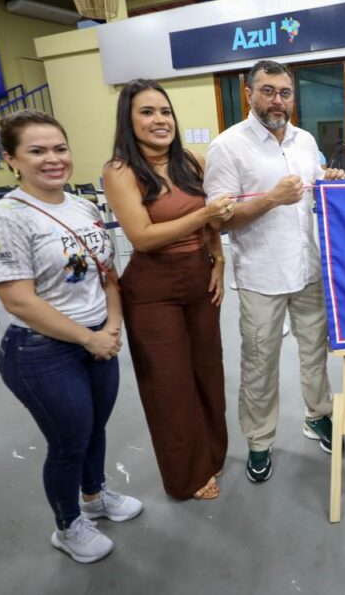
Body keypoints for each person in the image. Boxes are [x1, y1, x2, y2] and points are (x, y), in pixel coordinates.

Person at [0, 109, 141, 564]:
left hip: (98, 339)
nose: (53, 159)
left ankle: (94, 496)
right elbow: (19, 301)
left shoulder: (83, 206)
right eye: (37, 151)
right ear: (12, 159)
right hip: (42, 351)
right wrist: (88, 340)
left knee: (94, 429)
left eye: (59, 148)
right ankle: (67, 526)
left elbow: (108, 273)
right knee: (69, 441)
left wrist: (110, 326)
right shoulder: (4, 218)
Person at [205, 60, 345, 483]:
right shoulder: (227, 147)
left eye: (285, 92)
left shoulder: (305, 142)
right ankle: (260, 441)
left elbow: (310, 192)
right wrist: (269, 199)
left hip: (308, 268)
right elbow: (219, 220)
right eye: (268, 91)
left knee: (314, 354)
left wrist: (329, 181)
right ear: (250, 94)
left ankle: (318, 415)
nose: (277, 100)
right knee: (260, 364)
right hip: (261, 276)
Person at [103, 79, 233, 501]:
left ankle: (212, 453)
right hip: (152, 289)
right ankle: (187, 475)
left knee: (208, 374)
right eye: (147, 112)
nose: (160, 120)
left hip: (200, 279)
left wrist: (218, 257)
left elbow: (212, 220)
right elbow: (142, 237)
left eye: (165, 111)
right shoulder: (120, 171)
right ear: (129, 119)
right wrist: (206, 217)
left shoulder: (192, 161)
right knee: (170, 386)